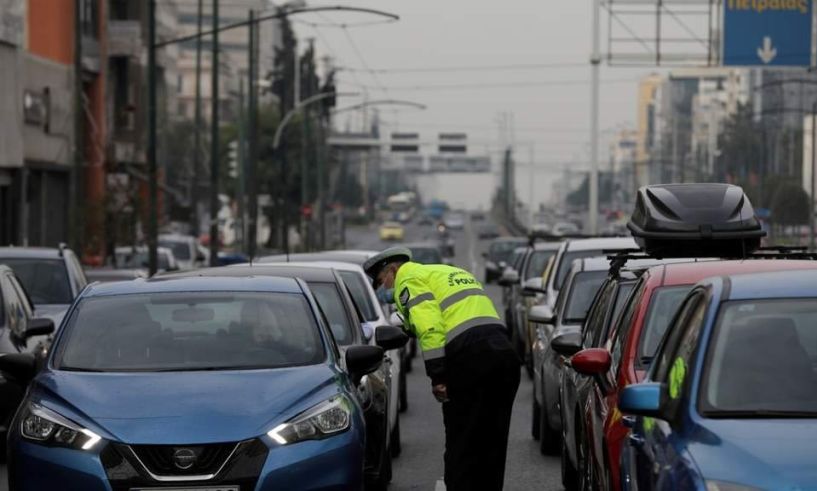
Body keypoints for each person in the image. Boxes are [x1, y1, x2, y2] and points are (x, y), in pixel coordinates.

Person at [364, 247, 520, 491]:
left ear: (393, 269)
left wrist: (438, 376)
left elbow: (431, 329)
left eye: (382, 282)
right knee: (493, 440)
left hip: (470, 357)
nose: (384, 290)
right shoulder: (447, 272)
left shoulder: (408, 279)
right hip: (505, 355)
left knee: (461, 440)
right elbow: (451, 313)